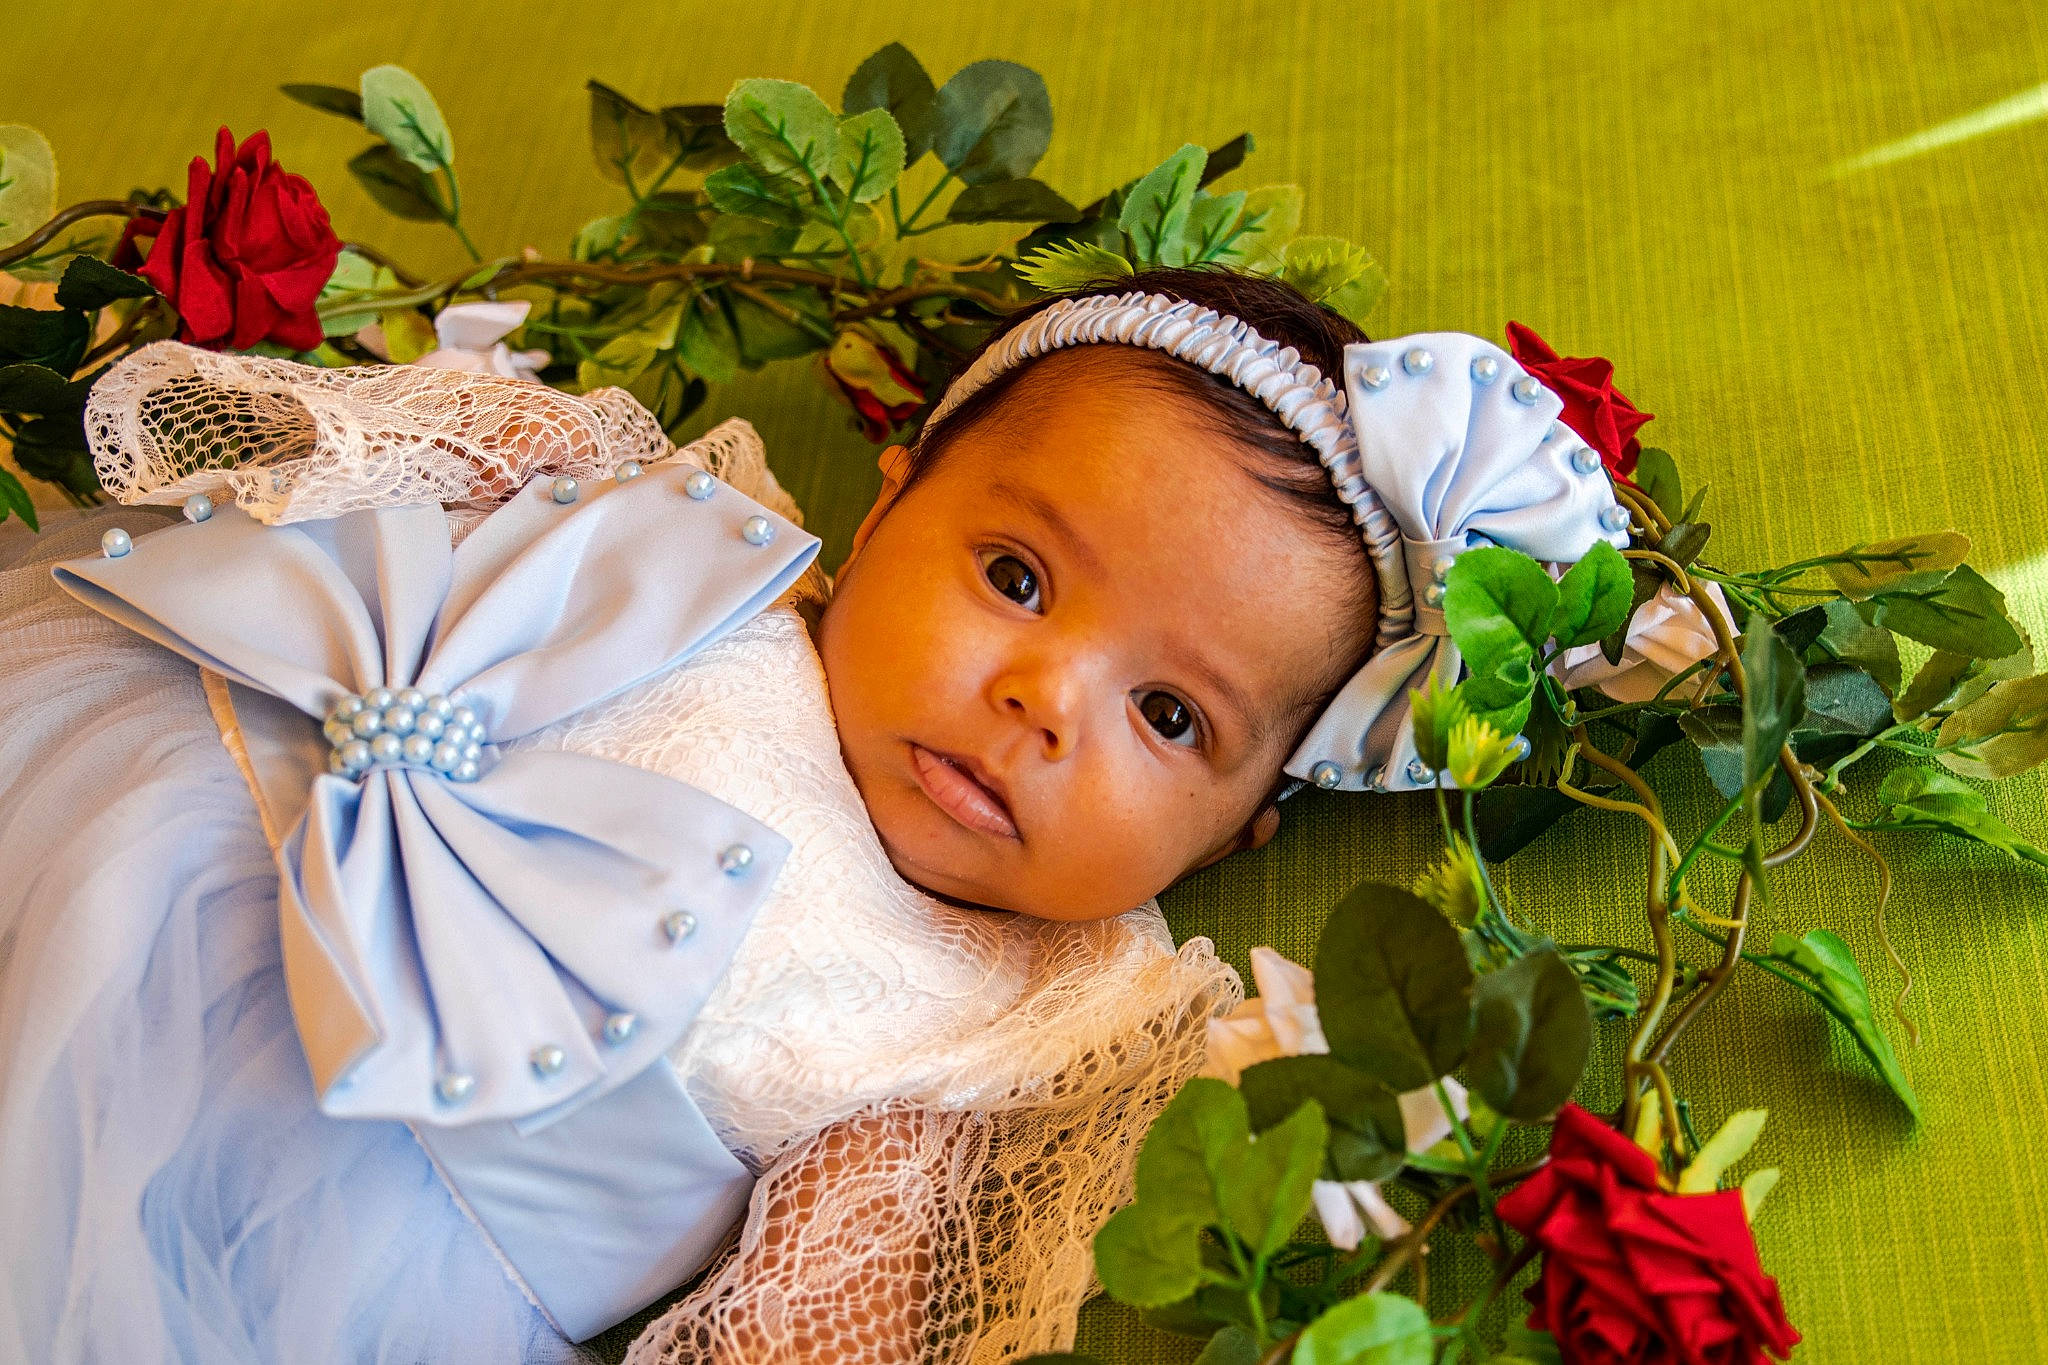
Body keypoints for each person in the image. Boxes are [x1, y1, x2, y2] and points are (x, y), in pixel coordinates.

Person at [0, 267, 1632, 1363]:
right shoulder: (719, 544)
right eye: (1015, 576)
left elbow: (818, 1311)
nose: (1046, 697)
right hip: (153, 844)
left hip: (353, 1263)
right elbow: (435, 448)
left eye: (1169, 714)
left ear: (1236, 834)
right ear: (891, 501)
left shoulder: (1012, 1021)